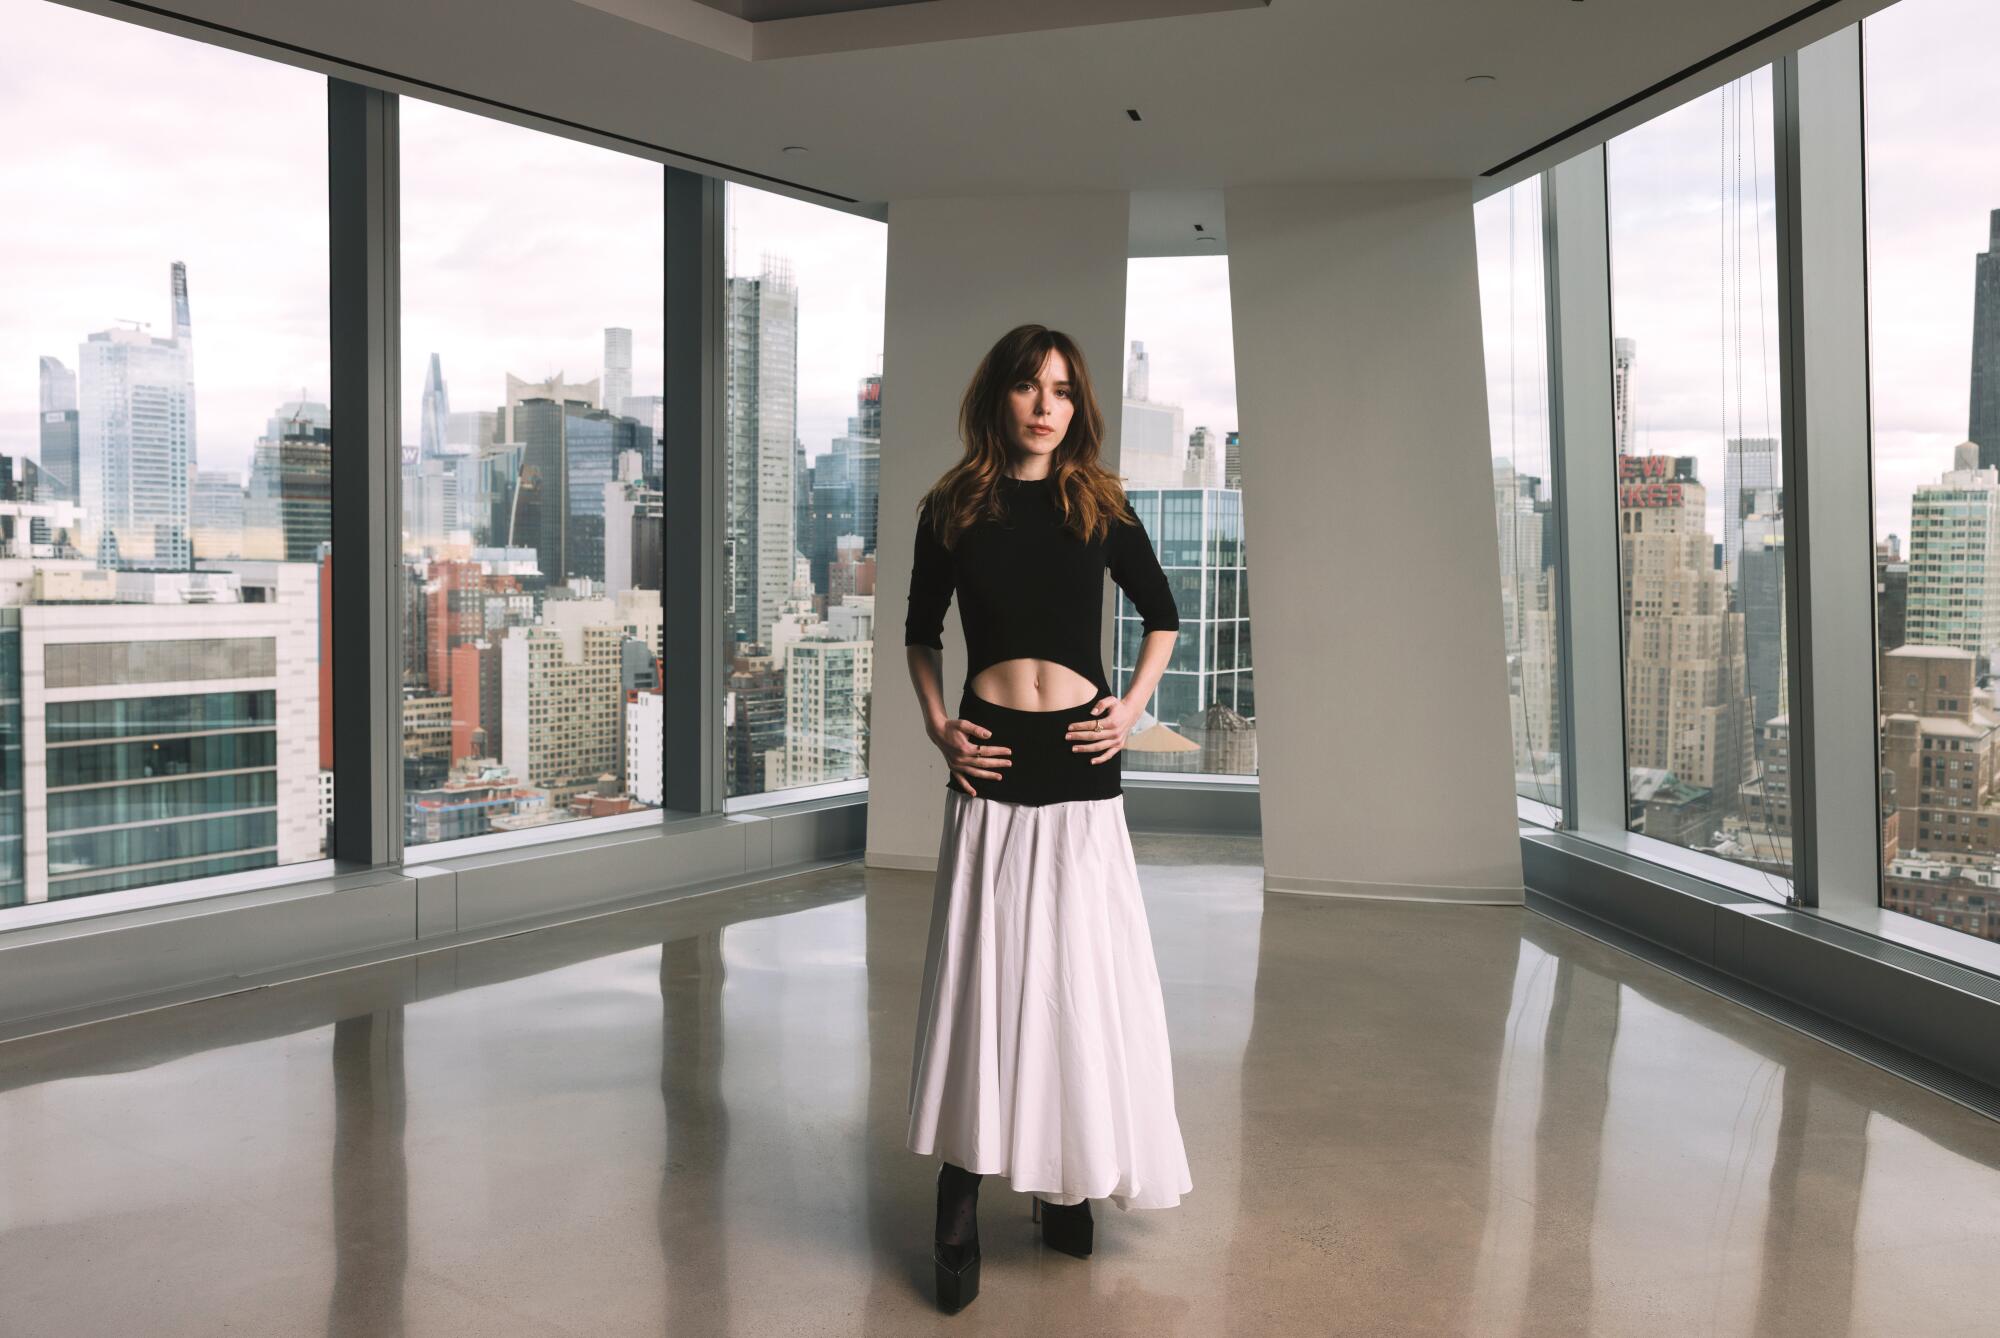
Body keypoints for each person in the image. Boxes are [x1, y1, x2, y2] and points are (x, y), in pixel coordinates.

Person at [903, 323, 1193, 1313]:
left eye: (1061, 390)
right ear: (1001, 396)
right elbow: (916, 631)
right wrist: (939, 727)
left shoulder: (1097, 503)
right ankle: (957, 1195)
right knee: (983, 979)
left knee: (1073, 979)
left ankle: (1069, 1175)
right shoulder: (951, 506)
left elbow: (1161, 613)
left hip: (1077, 758)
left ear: (1078, 407)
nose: (1043, 404)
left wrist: (1129, 710)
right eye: (1029, 387)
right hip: (987, 758)